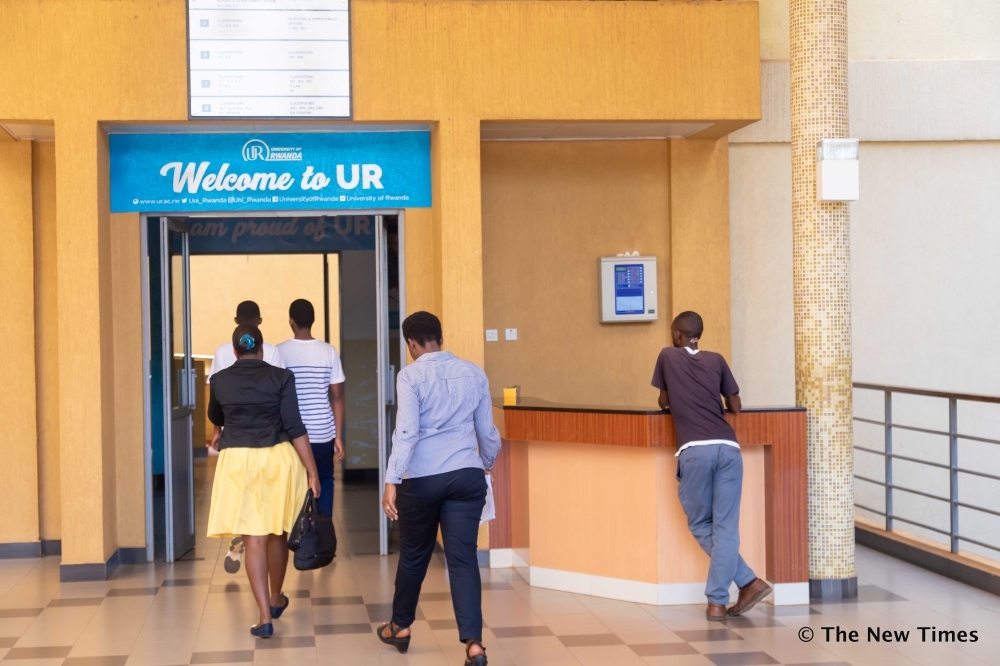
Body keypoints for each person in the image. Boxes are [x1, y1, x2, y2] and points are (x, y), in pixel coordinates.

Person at [377, 312, 500, 666]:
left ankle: (400, 626)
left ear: (411, 344)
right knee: (463, 559)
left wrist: (391, 479)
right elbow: (486, 430)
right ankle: (474, 645)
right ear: (440, 338)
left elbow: (407, 432)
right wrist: (487, 460)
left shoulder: (410, 376)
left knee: (415, 554)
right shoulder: (474, 372)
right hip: (466, 475)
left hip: (422, 477)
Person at [650, 311, 771, 621]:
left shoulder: (667, 355)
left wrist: (677, 399)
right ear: (698, 335)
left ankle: (737, 588)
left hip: (695, 452)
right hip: (729, 449)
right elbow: (736, 405)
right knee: (726, 527)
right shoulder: (716, 359)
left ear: (677, 334)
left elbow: (663, 401)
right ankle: (737, 589)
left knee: (701, 524)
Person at [206, 323, 321, 638]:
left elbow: (216, 416)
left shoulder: (218, 380)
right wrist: (312, 471)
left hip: (238, 462)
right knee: (276, 533)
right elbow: (294, 425)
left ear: (234, 351)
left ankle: (263, 617)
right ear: (262, 349)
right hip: (276, 459)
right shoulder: (281, 377)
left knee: (253, 538)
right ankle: (275, 598)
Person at [207, 300, 285, 574]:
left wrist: (217, 432)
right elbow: (278, 395)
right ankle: (258, 542)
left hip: (235, 441)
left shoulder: (220, 352)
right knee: (264, 500)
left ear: (235, 320)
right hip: (268, 441)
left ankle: (244, 537)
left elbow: (215, 398)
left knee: (241, 496)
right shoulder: (272, 352)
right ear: (260, 322)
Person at [277, 298, 346, 518]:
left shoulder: (278, 353)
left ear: (291, 322)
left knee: (295, 484)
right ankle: (322, 537)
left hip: (291, 435)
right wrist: (337, 436)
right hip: (323, 433)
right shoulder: (328, 351)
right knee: (325, 479)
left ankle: (300, 540)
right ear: (313, 320)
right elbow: (336, 396)